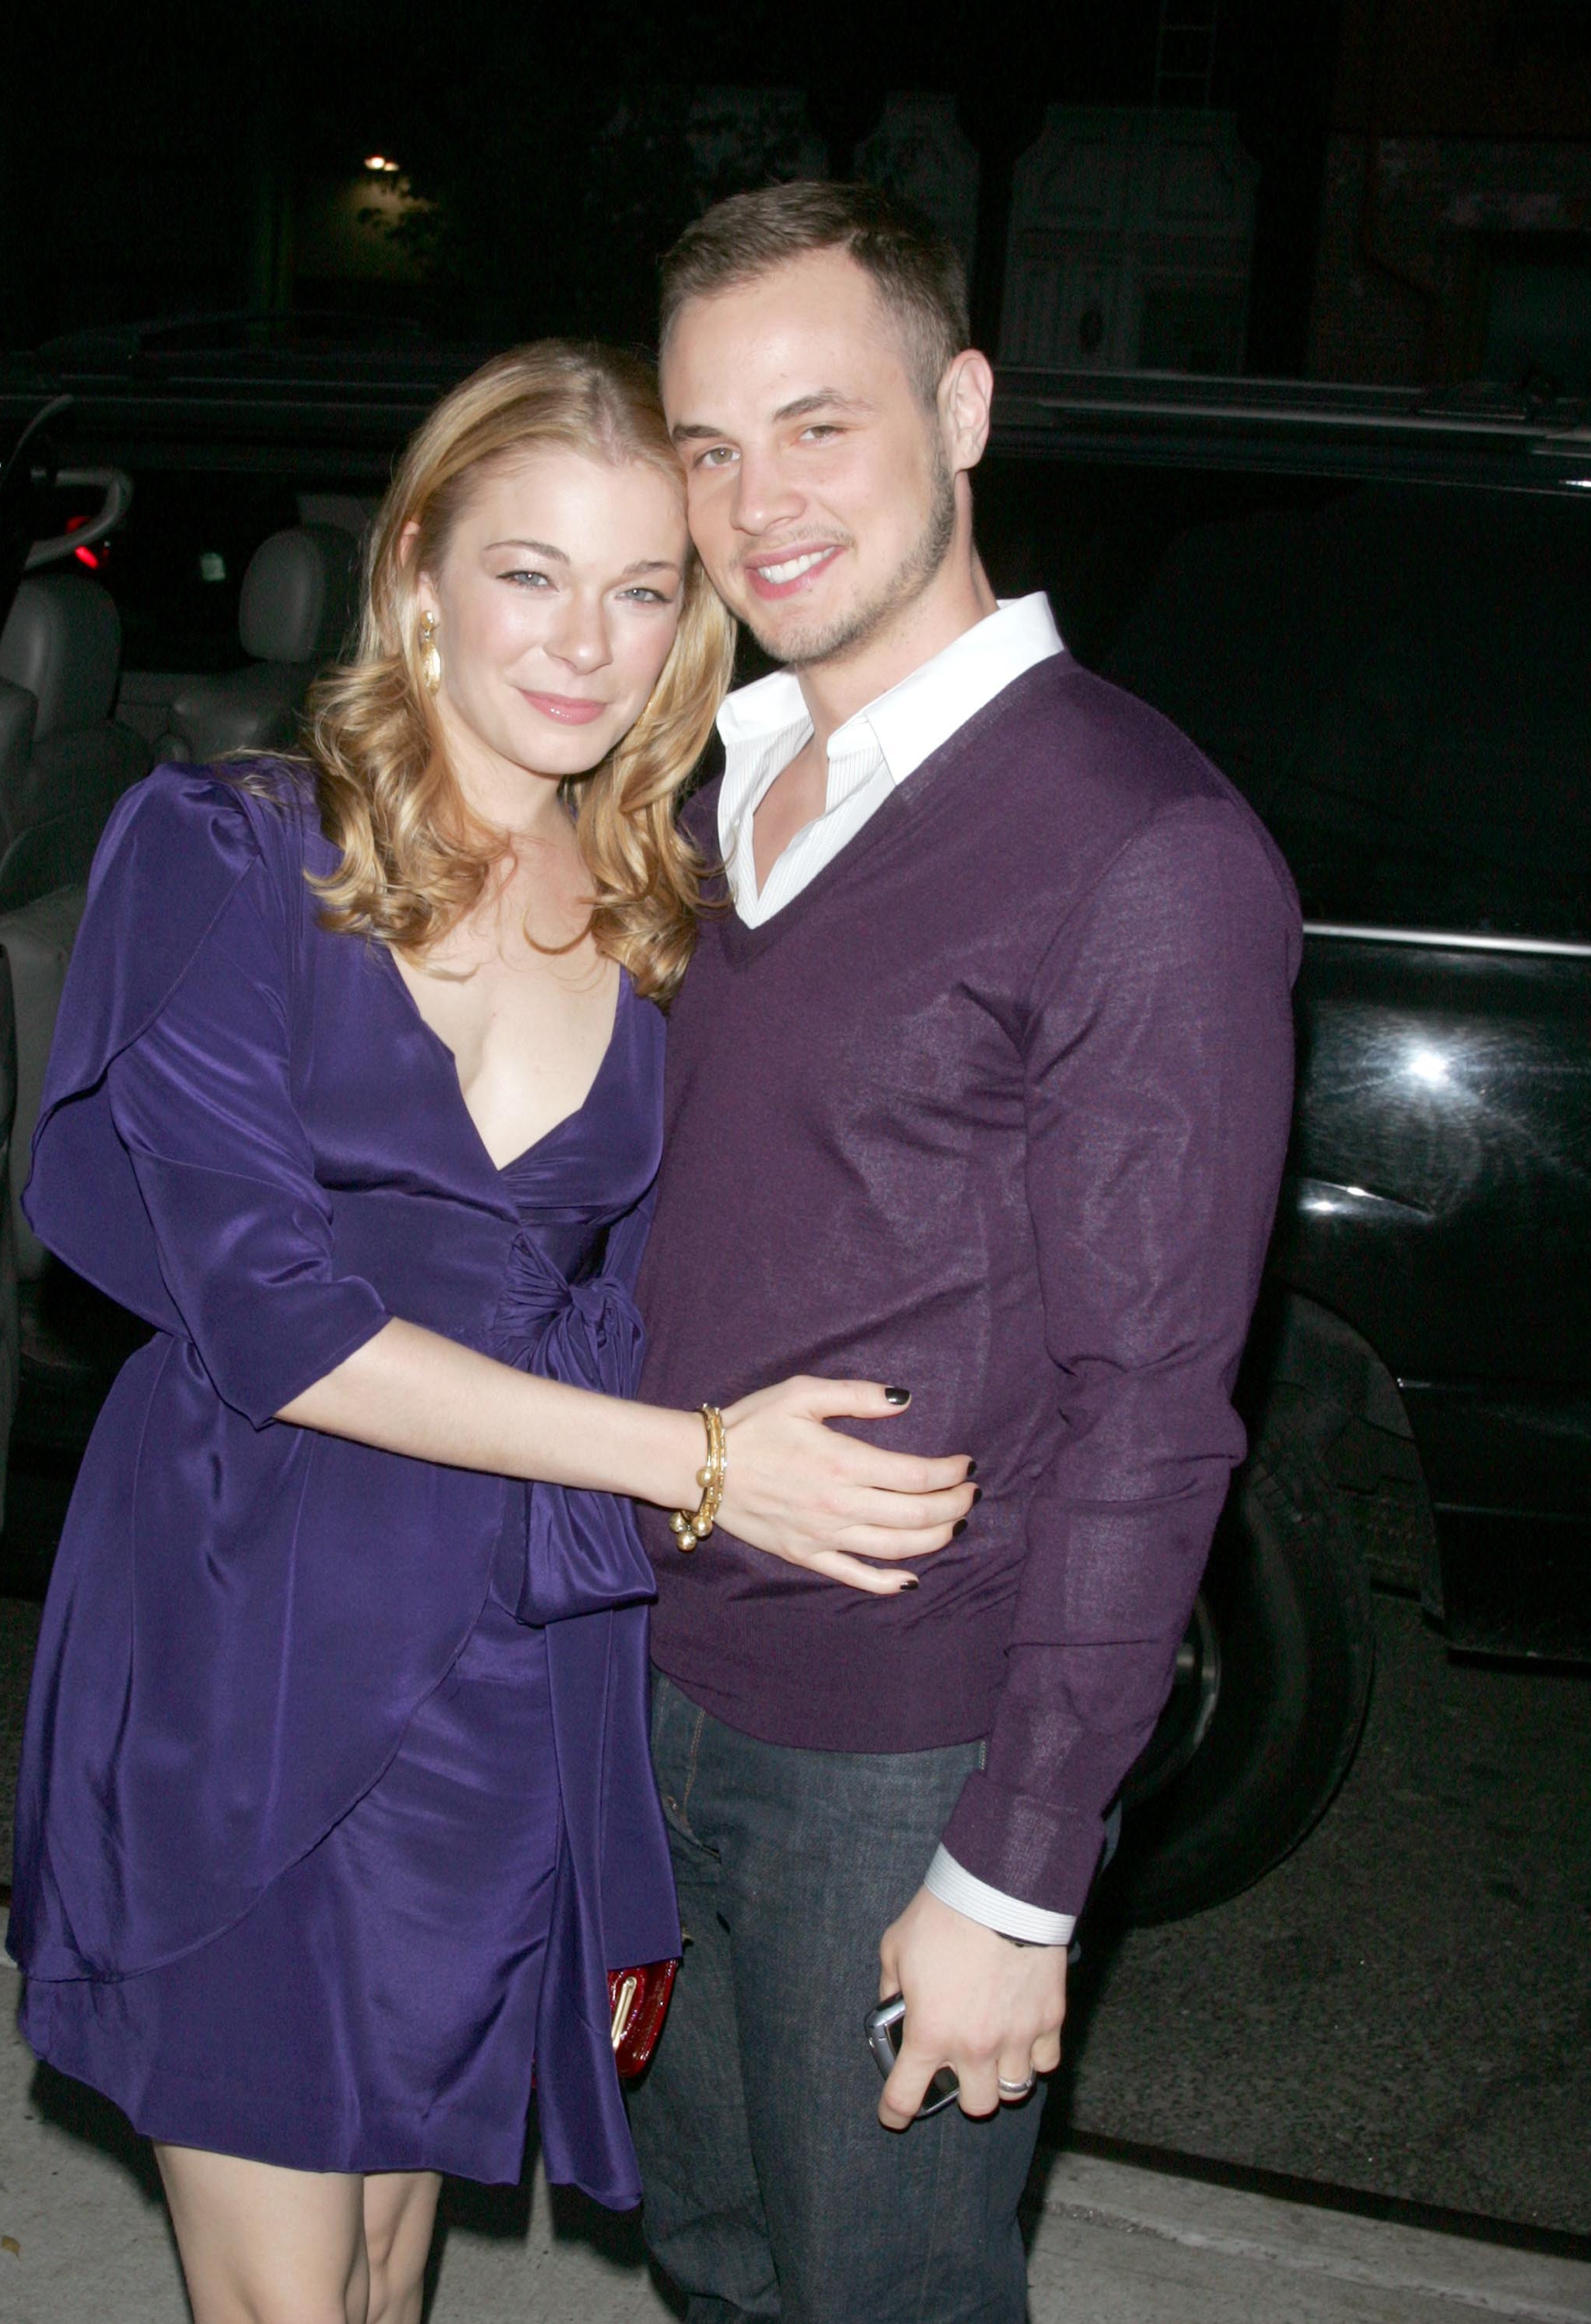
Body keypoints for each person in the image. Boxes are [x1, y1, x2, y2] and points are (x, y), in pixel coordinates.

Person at [6, 340, 974, 2324]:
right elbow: (279, 1326)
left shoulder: (657, 895)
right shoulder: (228, 853)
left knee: (376, 2257)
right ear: (420, 570)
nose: (586, 643)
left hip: (502, 1659)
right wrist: (702, 1467)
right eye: (530, 573)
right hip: (246, 1622)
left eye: (642, 591)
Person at [624, 184, 1302, 2322]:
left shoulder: (1138, 846)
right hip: (640, 1685)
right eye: (705, 447)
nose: (754, 503)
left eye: (817, 426)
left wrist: (1016, 1868)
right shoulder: (708, 785)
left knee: (882, 2298)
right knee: (711, 2258)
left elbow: (1153, 1412)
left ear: (967, 406)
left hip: (894, 1751)